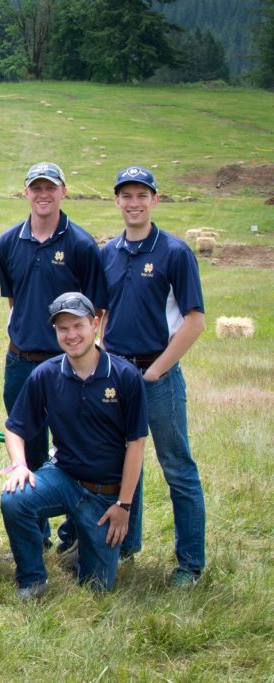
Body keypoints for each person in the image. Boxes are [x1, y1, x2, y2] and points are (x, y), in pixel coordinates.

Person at [0, 292, 147, 598]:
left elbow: (136, 445)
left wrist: (123, 506)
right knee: (14, 499)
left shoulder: (125, 377)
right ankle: (32, 580)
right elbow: (15, 428)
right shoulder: (46, 374)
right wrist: (19, 465)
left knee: (96, 589)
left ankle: (86, 542)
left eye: (78, 326)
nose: (71, 335)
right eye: (62, 328)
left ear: (95, 324)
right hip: (64, 477)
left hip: (105, 494)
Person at [102, 166, 207, 587]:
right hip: (120, 374)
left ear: (155, 200)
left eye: (141, 195)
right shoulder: (108, 252)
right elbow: (103, 313)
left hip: (156, 378)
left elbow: (194, 321)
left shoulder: (175, 253)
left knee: (177, 467)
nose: (133, 202)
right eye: (126, 195)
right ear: (117, 201)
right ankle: (127, 546)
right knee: (126, 464)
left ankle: (190, 564)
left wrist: (156, 371)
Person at [0, 162, 108, 547]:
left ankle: (74, 533)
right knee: (27, 445)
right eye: (35, 187)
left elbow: (95, 310)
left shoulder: (80, 244)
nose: (43, 194)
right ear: (25, 192)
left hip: (66, 365)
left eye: (50, 187)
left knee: (75, 448)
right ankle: (35, 531)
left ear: (63, 192)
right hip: (20, 361)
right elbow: (14, 299)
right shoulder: (8, 242)